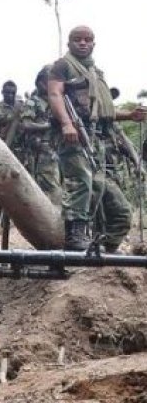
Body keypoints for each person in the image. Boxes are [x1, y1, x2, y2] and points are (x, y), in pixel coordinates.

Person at [47, 25, 145, 251]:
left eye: (87, 40)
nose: (83, 43)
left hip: (97, 140)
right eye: (77, 39)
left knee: (118, 207)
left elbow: (101, 110)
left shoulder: (95, 72)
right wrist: (66, 123)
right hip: (75, 136)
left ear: (94, 44)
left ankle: (103, 250)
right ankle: (75, 237)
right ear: (69, 43)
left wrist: (129, 115)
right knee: (81, 182)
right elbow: (55, 94)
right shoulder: (63, 66)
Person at [19, 66, 62, 207]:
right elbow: (26, 124)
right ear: (40, 83)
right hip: (41, 150)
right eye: (48, 81)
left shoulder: (58, 101)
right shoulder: (34, 102)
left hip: (58, 148)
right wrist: (48, 125)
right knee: (49, 185)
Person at [0, 81, 24, 222]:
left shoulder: (21, 107)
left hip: (20, 150)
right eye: (7, 92)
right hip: (2, 150)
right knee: (2, 183)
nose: (10, 95)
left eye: (13, 93)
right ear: (2, 92)